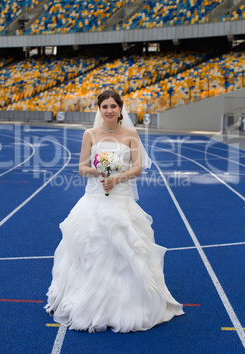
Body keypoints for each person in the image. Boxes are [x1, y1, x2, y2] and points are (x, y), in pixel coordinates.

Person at [45, 89, 184, 333]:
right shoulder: (90, 134)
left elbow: (138, 167)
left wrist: (117, 177)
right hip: (95, 197)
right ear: (99, 110)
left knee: (125, 246)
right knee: (93, 246)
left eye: (113, 106)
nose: (109, 110)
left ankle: (125, 303)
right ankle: (91, 300)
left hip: (120, 197)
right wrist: (100, 172)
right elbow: (81, 168)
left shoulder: (131, 134)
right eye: (104, 106)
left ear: (120, 109)